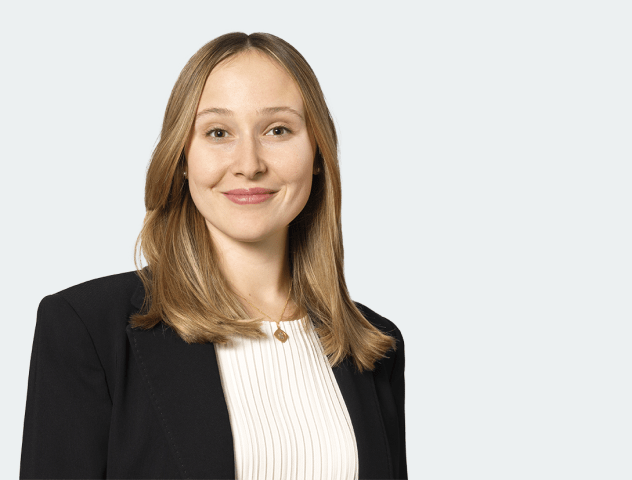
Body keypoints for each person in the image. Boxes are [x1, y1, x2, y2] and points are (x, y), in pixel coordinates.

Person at [20, 32, 406, 480]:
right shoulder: (87, 328)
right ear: (183, 158)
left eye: (278, 130)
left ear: (318, 153)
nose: (249, 163)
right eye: (218, 133)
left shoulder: (374, 344)